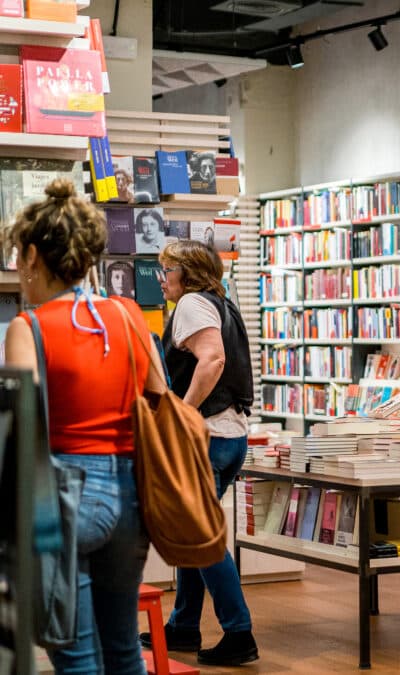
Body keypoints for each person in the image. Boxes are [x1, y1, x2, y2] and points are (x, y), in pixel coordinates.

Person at [4, 178, 158, 673]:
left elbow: (22, 427)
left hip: (63, 496)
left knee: (76, 659)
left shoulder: (28, 328)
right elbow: (159, 393)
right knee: (125, 652)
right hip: (132, 495)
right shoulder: (128, 314)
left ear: (31, 255)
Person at [138, 239, 258, 665]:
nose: (161, 279)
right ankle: (184, 625)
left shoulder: (191, 304)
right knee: (194, 531)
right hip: (229, 436)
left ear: (185, 273)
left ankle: (239, 633)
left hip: (205, 436)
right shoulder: (224, 305)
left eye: (166, 270)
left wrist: (181, 413)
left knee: (201, 538)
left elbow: (212, 360)